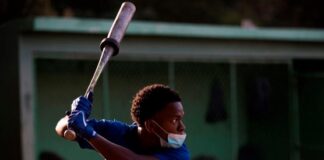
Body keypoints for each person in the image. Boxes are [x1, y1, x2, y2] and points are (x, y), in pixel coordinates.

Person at [55, 84, 189, 160]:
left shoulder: (178, 153)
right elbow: (60, 127)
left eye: (180, 119)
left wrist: (90, 135)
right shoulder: (119, 133)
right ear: (151, 126)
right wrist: (75, 117)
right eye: (174, 120)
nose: (182, 127)